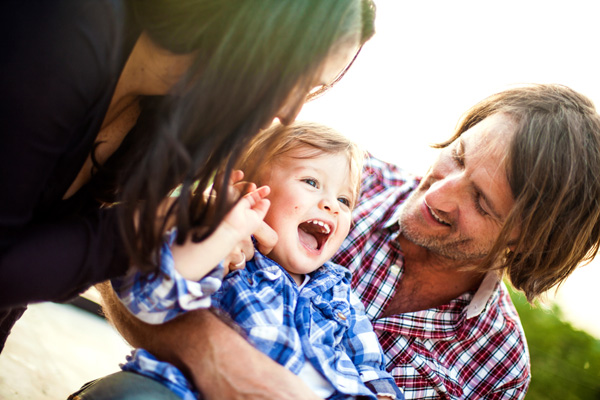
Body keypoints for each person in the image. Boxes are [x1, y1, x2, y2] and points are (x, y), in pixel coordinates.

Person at [93, 83, 600, 400]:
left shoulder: (499, 368)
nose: (439, 194)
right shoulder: (325, 182)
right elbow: (120, 250)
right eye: (459, 156)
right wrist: (219, 358)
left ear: (528, 248)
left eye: (482, 203)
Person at [0, 0, 376, 351]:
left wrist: (183, 221)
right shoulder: (63, 30)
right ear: (254, 31)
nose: (292, 112)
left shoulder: (172, 126)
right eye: (298, 77)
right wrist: (154, 222)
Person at [106, 121, 404, 400]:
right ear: (249, 192)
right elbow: (153, 296)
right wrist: (222, 236)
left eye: (344, 200)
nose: (331, 206)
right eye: (311, 182)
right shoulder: (233, 257)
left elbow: (370, 366)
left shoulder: (339, 289)